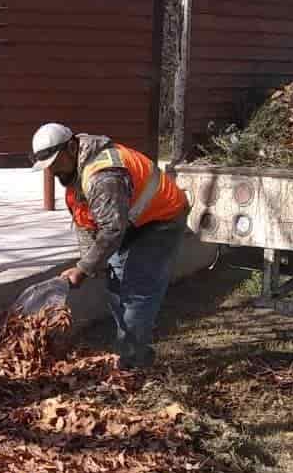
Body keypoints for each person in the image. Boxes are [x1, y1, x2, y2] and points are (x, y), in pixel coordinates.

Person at [30, 123, 187, 369]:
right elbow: (85, 223)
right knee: (116, 285)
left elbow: (112, 230)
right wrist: (90, 265)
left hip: (161, 219)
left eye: (54, 162)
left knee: (136, 292)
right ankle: (134, 344)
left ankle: (133, 364)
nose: (51, 170)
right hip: (130, 221)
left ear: (71, 147)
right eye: (47, 166)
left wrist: (83, 268)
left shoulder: (103, 175)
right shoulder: (73, 174)